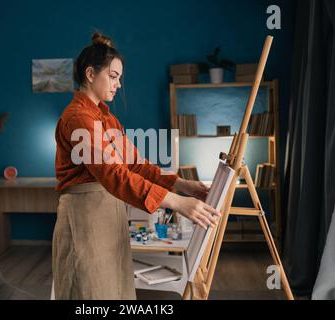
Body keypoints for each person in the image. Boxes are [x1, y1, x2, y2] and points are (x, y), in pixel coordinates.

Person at [52, 32, 221, 300]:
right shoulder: (77, 118)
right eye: (114, 76)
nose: (119, 84)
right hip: (85, 220)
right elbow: (114, 174)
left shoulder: (108, 119)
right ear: (90, 74)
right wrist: (176, 202)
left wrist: (182, 185)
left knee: (113, 292)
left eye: (120, 77)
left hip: (108, 216)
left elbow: (135, 165)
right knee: (88, 293)